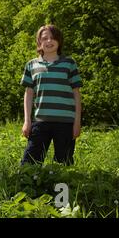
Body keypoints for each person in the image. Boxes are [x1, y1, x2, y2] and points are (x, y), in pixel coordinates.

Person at [20, 24, 82, 165]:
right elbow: (28, 94)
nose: (49, 41)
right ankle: (29, 186)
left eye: (53, 38)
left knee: (64, 163)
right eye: (45, 38)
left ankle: (60, 187)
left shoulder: (69, 63)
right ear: (39, 42)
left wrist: (77, 122)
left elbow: (77, 95)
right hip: (40, 121)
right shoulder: (31, 65)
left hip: (66, 123)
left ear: (59, 41)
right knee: (29, 164)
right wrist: (27, 121)